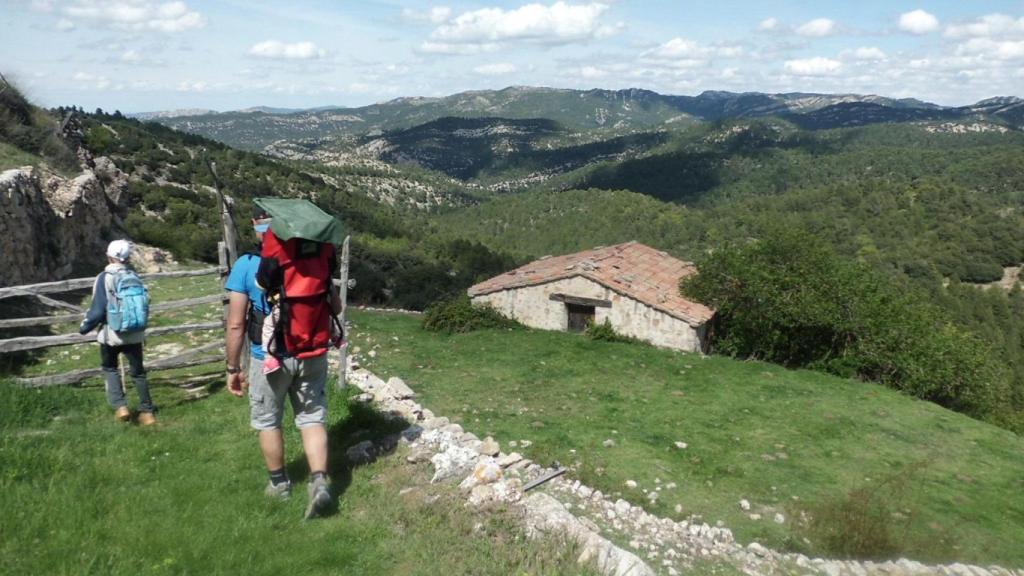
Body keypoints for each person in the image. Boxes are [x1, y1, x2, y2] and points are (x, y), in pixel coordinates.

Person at [224, 207, 339, 520]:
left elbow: (236, 324)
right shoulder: (316, 259)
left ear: (258, 228)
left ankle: (279, 485)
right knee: (312, 416)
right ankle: (318, 482)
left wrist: (233, 368)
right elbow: (335, 306)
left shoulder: (248, 265)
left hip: (269, 357)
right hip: (313, 351)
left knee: (268, 420)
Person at [79, 239, 156, 425]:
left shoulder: (104, 277)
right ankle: (147, 412)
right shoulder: (134, 275)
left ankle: (121, 406)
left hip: (112, 333)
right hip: (135, 332)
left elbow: (98, 309)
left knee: (110, 368)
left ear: (109, 256)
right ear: (127, 257)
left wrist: (85, 327)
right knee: (138, 373)